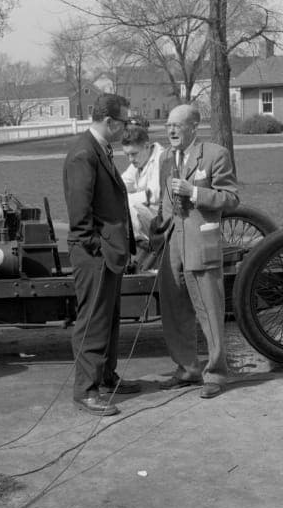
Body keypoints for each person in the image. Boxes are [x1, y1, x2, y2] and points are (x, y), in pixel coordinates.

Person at [62, 93, 142, 416]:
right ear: (109, 122)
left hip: (106, 254)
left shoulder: (98, 149)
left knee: (107, 321)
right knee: (92, 322)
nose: (126, 127)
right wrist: (98, 248)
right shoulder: (84, 154)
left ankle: (106, 378)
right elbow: (80, 216)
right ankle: (86, 390)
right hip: (94, 256)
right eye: (123, 122)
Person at [156, 104, 240, 399]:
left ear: (194, 127)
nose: (171, 131)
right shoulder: (166, 157)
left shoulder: (215, 154)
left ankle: (216, 373)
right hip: (173, 246)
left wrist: (194, 192)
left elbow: (231, 199)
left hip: (201, 244)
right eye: (168, 125)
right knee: (175, 309)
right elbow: (165, 201)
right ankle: (187, 368)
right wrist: (158, 227)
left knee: (210, 310)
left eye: (177, 125)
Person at [120, 125, 165, 268]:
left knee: (128, 205)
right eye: (127, 155)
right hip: (148, 215)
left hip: (163, 217)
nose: (130, 159)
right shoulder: (141, 158)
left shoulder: (161, 159)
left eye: (133, 154)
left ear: (146, 146)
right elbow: (121, 184)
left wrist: (123, 198)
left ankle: (142, 245)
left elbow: (153, 195)